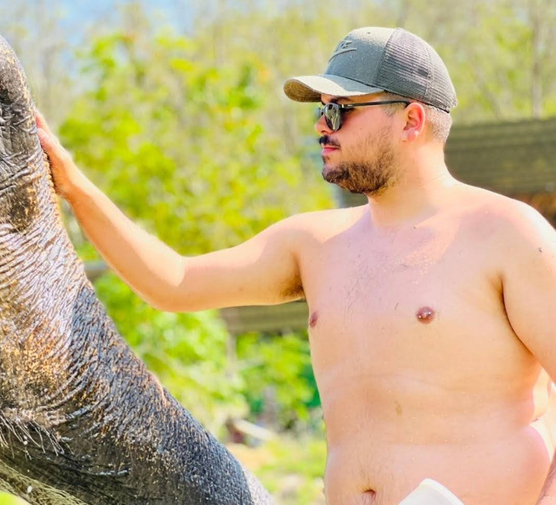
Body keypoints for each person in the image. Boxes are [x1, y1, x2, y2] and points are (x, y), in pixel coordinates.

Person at [35, 26, 556, 505]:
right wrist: (73, 184)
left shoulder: (507, 233)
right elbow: (175, 282)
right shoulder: (312, 244)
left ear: (411, 120)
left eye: (339, 110)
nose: (320, 125)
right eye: (321, 109)